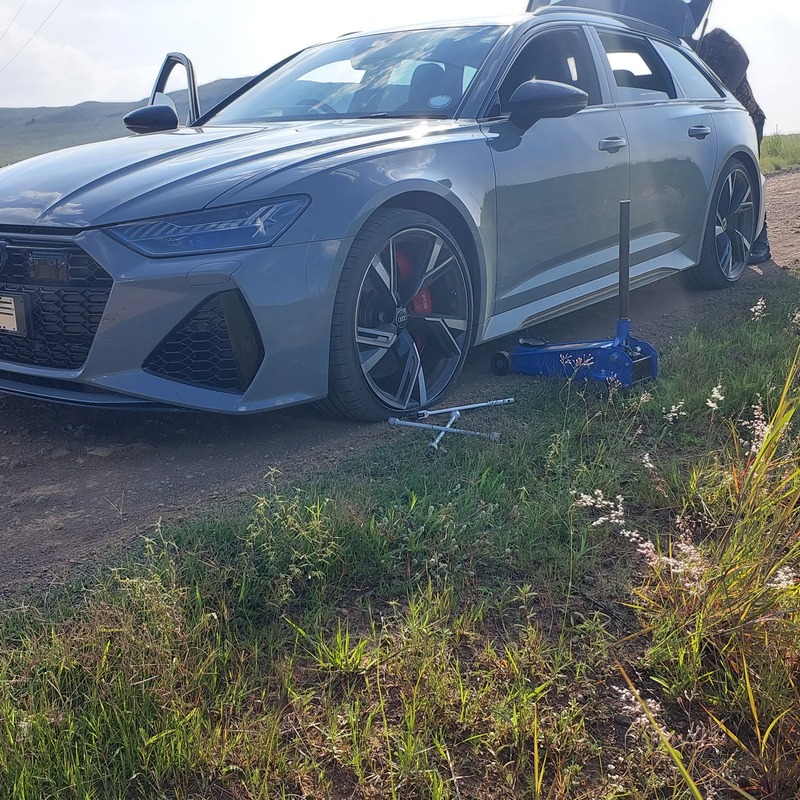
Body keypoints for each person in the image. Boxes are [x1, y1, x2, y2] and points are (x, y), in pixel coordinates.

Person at [694, 27, 771, 264]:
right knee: (728, 185)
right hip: (720, 126)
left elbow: (742, 60)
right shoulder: (687, 53)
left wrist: (724, 96)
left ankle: (761, 242)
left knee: (746, 180)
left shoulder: (715, 38)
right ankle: (736, 244)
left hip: (746, 118)